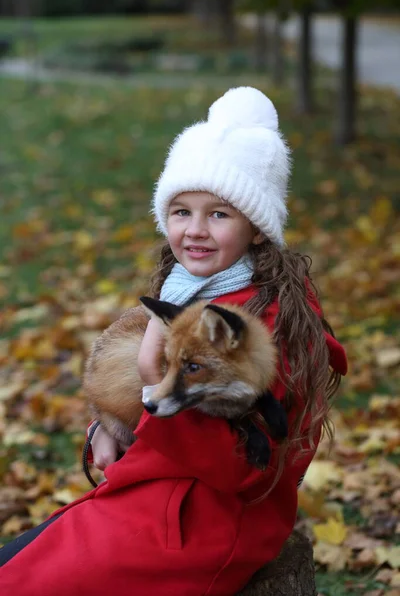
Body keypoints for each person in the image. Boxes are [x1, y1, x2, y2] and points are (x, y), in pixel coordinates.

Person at [0, 87, 347, 595]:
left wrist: (150, 375)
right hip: (156, 493)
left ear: (257, 228)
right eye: (181, 211)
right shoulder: (193, 286)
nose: (195, 231)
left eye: (220, 214)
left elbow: (246, 472)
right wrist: (110, 425)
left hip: (204, 524)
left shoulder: (270, 323)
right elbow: (164, 405)